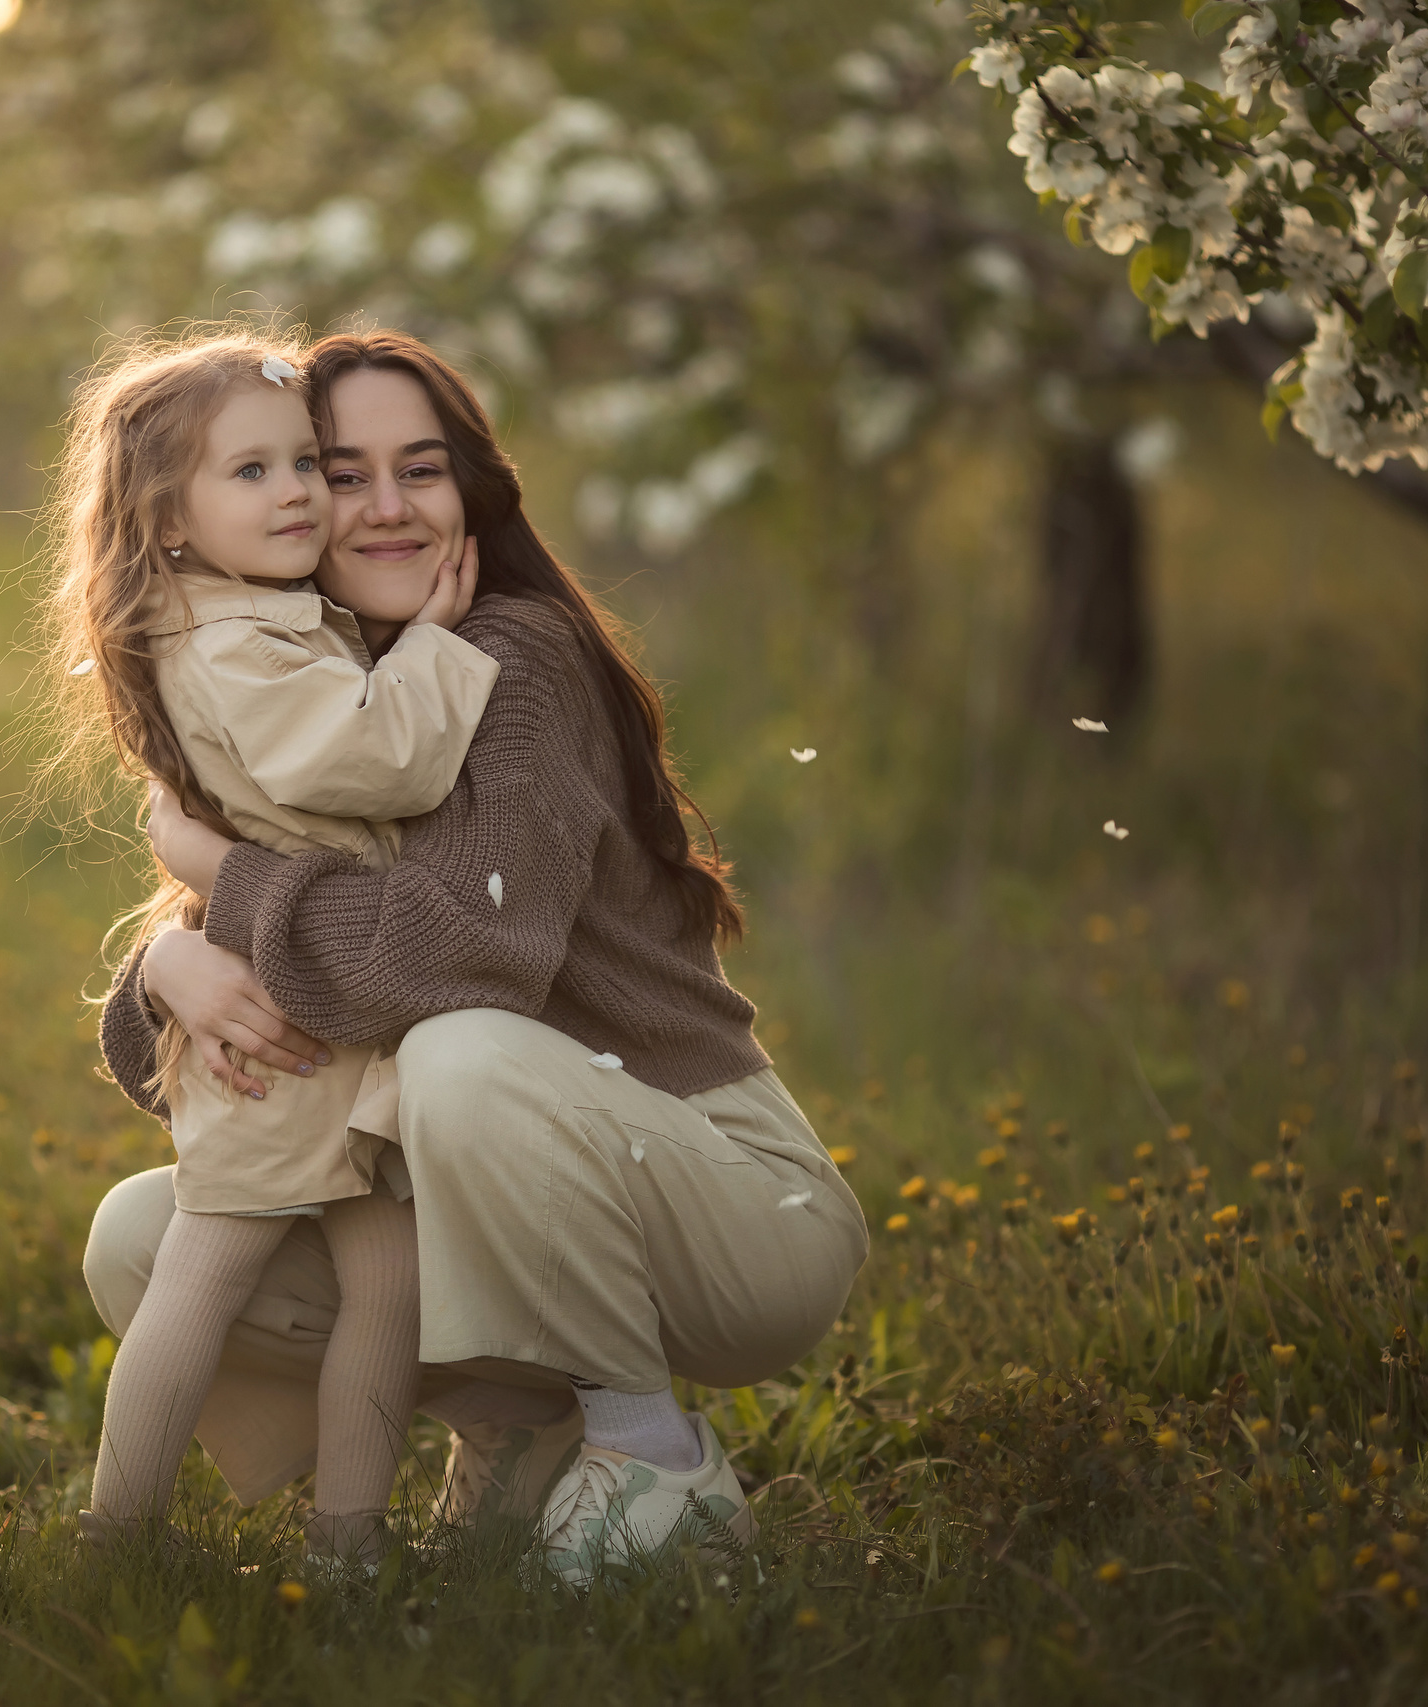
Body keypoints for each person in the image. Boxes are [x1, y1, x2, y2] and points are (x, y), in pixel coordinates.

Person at [84, 329, 870, 1584]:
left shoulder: (506, 659)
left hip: (733, 1204)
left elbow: (455, 958)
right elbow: (189, 1056)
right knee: (147, 1235)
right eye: (338, 470)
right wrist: (162, 968)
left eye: (421, 469)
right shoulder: (305, 674)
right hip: (523, 1177)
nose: (380, 507)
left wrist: (225, 879)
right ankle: (519, 1426)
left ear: (473, 492)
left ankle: (650, 1452)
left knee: (456, 1054)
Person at [32, 328, 500, 1569]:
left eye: (304, 463)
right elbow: (375, 761)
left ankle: (341, 1544)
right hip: (292, 1021)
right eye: (250, 472)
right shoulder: (239, 645)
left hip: (333, 1009)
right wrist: (437, 649)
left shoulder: (247, 620)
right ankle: (122, 1536)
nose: (296, 493)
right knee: (207, 1275)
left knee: (377, 1289)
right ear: (167, 520)